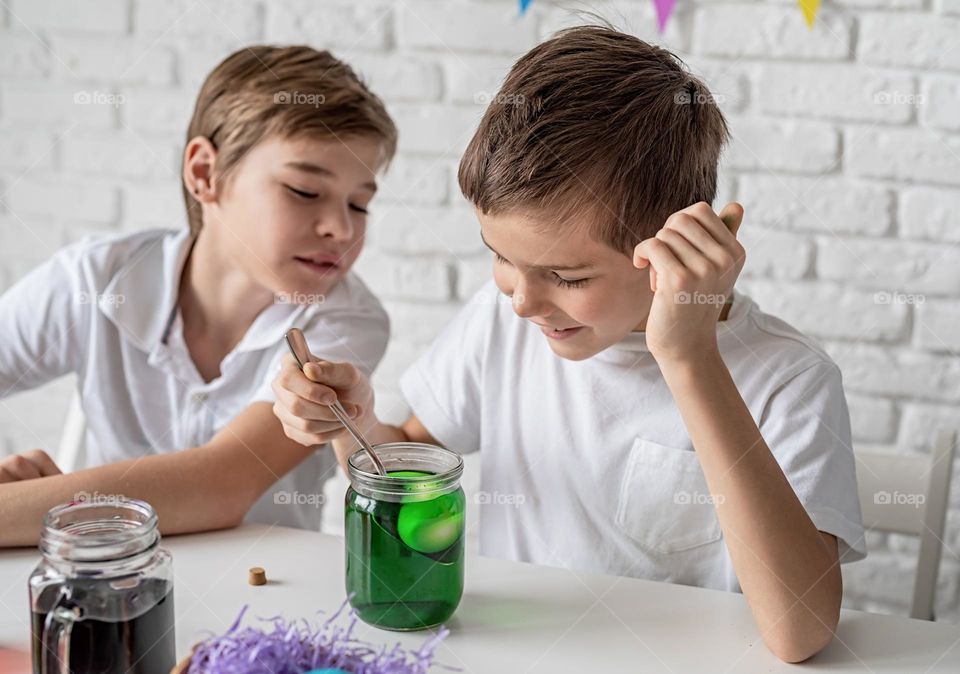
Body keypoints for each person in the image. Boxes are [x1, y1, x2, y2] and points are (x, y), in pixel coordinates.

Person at [272, 26, 866, 662]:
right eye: (500, 257)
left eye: (568, 276)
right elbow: (412, 460)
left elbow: (800, 634)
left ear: (682, 245)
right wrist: (353, 423)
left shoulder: (788, 381)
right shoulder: (504, 320)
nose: (522, 300)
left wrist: (689, 357)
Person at [0, 45, 394, 543]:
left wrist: (29, 508)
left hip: (267, 595)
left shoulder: (346, 320)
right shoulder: (95, 279)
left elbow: (222, 483)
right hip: (109, 582)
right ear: (205, 174)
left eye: (360, 205)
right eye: (304, 191)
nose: (340, 228)